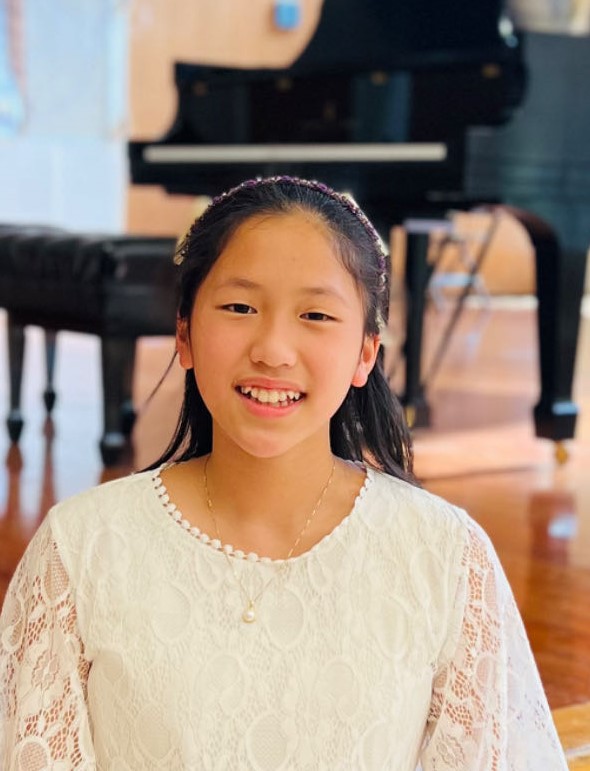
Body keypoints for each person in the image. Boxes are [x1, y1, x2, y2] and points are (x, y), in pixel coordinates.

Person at [0, 176, 567, 769]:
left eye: (315, 314)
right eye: (240, 307)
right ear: (184, 334)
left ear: (366, 354)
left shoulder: (445, 556)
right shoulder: (81, 548)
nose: (273, 349)